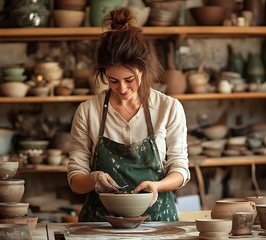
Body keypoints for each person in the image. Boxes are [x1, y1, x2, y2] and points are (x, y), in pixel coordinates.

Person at [67, 7, 190, 222]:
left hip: (157, 222)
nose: (122, 88)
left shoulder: (168, 108)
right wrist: (93, 179)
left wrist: (157, 185)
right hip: (101, 223)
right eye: (113, 80)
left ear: (144, 69)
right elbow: (76, 181)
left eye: (129, 79)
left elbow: (180, 169)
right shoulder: (88, 112)